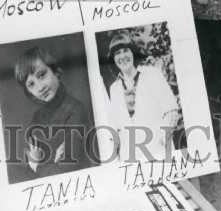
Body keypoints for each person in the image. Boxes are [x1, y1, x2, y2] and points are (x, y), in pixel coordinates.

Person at [13, 45, 94, 182]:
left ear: (55, 71)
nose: (40, 87)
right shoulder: (37, 118)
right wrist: (37, 164)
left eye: (42, 75)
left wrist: (36, 164)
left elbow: (66, 173)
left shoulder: (75, 110)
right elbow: (29, 177)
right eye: (31, 84)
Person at [106, 31, 180, 161]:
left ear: (133, 52)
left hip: (159, 152)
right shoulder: (114, 88)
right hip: (131, 159)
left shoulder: (152, 75)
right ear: (113, 58)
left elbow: (172, 111)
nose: (122, 56)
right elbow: (116, 127)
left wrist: (162, 138)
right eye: (117, 53)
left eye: (125, 50)